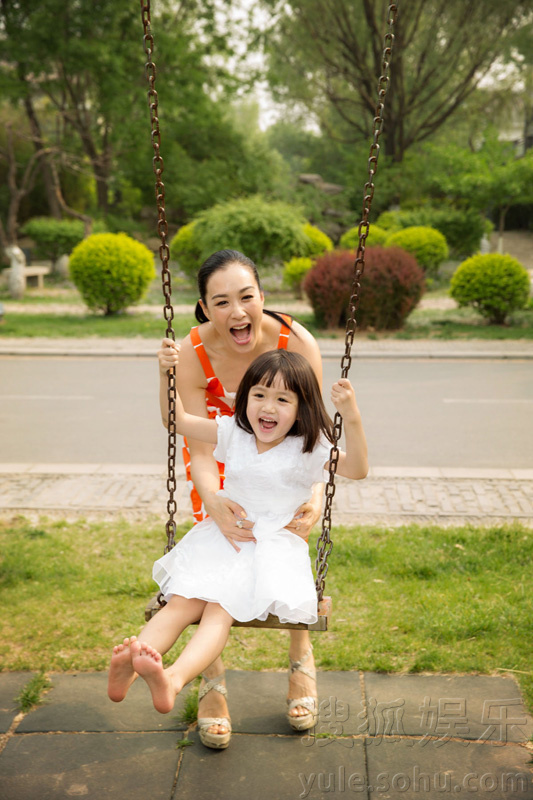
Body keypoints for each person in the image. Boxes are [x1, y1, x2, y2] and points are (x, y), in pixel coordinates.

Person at [107, 349, 368, 741]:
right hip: (221, 539)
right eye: (259, 394)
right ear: (244, 398)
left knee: (218, 612)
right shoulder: (233, 432)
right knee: (180, 603)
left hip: (269, 552)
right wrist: (166, 374)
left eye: (283, 399)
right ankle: (132, 663)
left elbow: (359, 469)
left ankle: (174, 679)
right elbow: (174, 420)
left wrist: (351, 414)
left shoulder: (309, 448)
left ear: (301, 409)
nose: (268, 406)